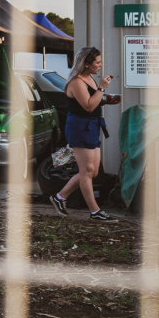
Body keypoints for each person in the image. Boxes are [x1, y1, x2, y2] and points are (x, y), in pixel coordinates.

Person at [50, 46, 118, 222]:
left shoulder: (89, 78)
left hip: (92, 125)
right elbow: (87, 106)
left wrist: (105, 100)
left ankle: (59, 197)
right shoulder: (76, 82)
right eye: (97, 62)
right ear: (86, 64)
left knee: (92, 171)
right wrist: (101, 89)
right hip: (80, 126)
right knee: (86, 171)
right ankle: (95, 211)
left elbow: (92, 103)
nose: (100, 65)